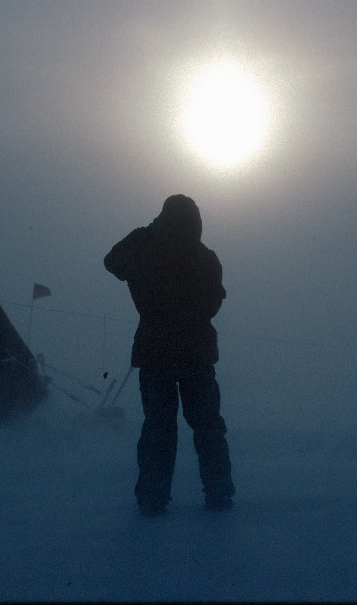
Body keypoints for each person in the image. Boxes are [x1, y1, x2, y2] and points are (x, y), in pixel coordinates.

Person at [104, 194, 235, 515]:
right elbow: (214, 303)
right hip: (196, 355)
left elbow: (113, 261)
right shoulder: (205, 258)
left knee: (159, 427)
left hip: (156, 353)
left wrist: (150, 231)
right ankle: (218, 494)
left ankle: (152, 497)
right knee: (207, 426)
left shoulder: (146, 248)